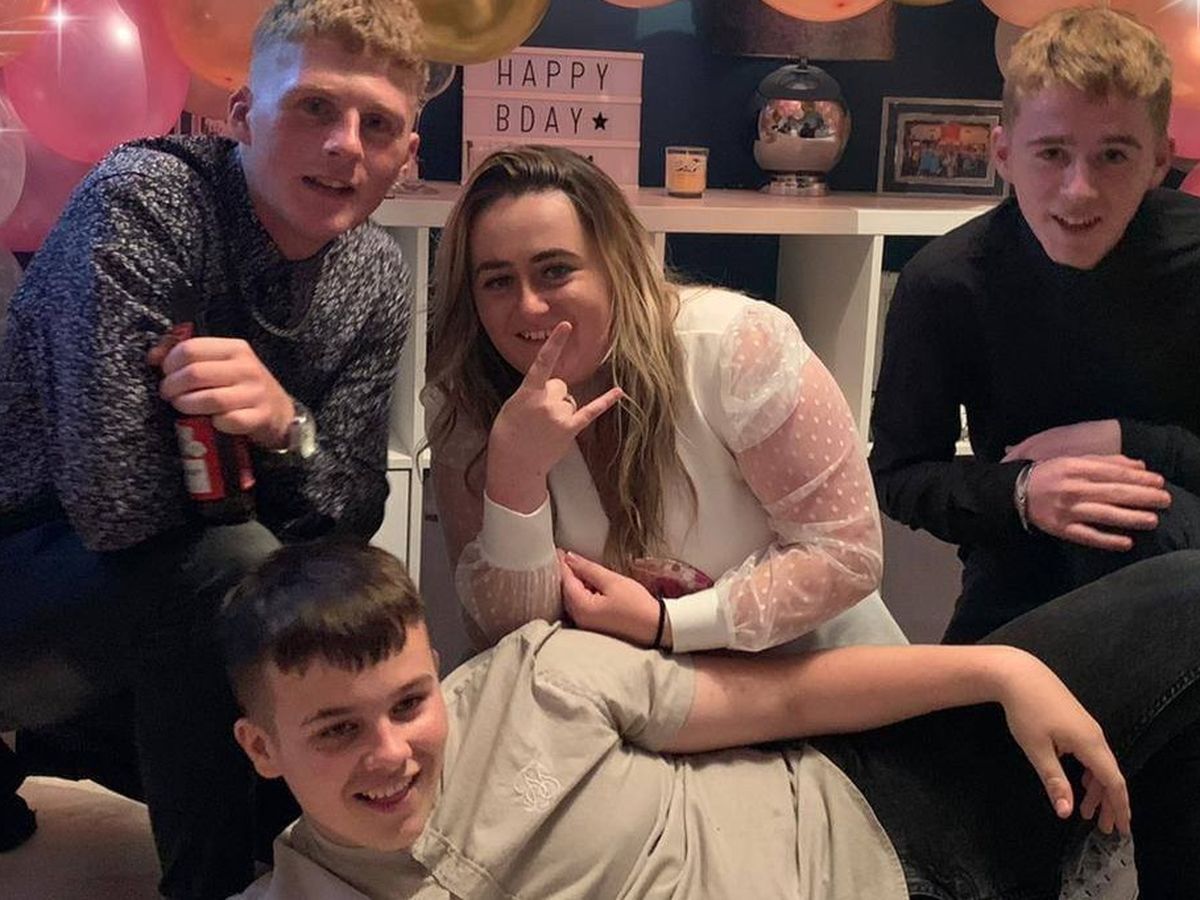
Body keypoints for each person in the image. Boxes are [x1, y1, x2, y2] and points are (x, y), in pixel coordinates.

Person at [0, 0, 425, 896]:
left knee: (315, 607)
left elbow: (354, 512)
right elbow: (117, 508)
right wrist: (283, 487)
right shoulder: (147, 198)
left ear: (404, 157)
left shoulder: (378, 274)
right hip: (24, 577)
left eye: (377, 125)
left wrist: (283, 425)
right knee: (235, 565)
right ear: (242, 115)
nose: (344, 144)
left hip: (160, 620)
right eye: (315, 106)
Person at [221, 540, 1200, 900]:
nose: (392, 753)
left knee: (1185, 596)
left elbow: (788, 697)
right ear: (262, 748)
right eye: (336, 730)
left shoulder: (538, 678)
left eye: (409, 703)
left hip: (899, 804)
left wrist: (999, 669)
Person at [423, 144, 902, 657]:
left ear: (617, 263)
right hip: (647, 695)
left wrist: (669, 624)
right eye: (497, 281)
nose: (529, 305)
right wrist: (516, 477)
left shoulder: (739, 348)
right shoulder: (467, 405)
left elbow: (847, 553)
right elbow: (508, 634)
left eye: (555, 270)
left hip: (819, 674)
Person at [869, 7, 1200, 643]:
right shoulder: (945, 281)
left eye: (1113, 155)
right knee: (959, 703)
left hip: (1182, 552)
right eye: (1051, 153)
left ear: (1160, 160)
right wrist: (1024, 492)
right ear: (1003, 153)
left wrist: (1126, 441)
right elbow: (901, 473)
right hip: (1019, 550)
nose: (1079, 190)